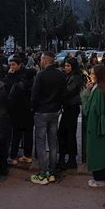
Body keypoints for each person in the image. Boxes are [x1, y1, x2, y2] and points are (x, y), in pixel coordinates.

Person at [30, 52, 67, 185]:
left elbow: (34, 94)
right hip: (54, 111)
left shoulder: (40, 75)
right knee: (53, 142)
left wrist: (33, 108)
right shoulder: (60, 75)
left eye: (41, 59)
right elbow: (64, 92)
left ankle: (43, 172)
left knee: (40, 143)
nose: (40, 61)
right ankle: (52, 171)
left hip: (41, 112)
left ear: (45, 60)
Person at [81, 64, 105, 187]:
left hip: (96, 125)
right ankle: (102, 177)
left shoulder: (98, 90)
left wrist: (85, 94)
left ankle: (99, 179)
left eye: (93, 74)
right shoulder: (103, 87)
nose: (90, 75)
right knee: (102, 151)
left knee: (96, 151)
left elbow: (89, 109)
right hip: (101, 125)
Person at [57, 57, 84, 170]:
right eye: (65, 66)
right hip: (67, 107)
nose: (66, 68)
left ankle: (71, 159)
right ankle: (65, 158)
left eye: (68, 66)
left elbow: (69, 90)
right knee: (63, 133)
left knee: (69, 133)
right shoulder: (68, 76)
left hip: (72, 107)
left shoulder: (76, 77)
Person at [8, 69, 36, 166]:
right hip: (29, 113)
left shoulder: (17, 86)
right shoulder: (35, 86)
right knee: (28, 135)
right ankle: (27, 156)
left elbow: (10, 100)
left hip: (17, 113)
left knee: (16, 136)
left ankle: (13, 156)